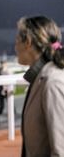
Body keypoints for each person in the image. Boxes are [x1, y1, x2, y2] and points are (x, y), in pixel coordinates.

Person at [15, 16, 64, 156]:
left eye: (17, 41)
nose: (15, 47)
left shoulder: (53, 82)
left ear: (28, 42)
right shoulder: (41, 78)